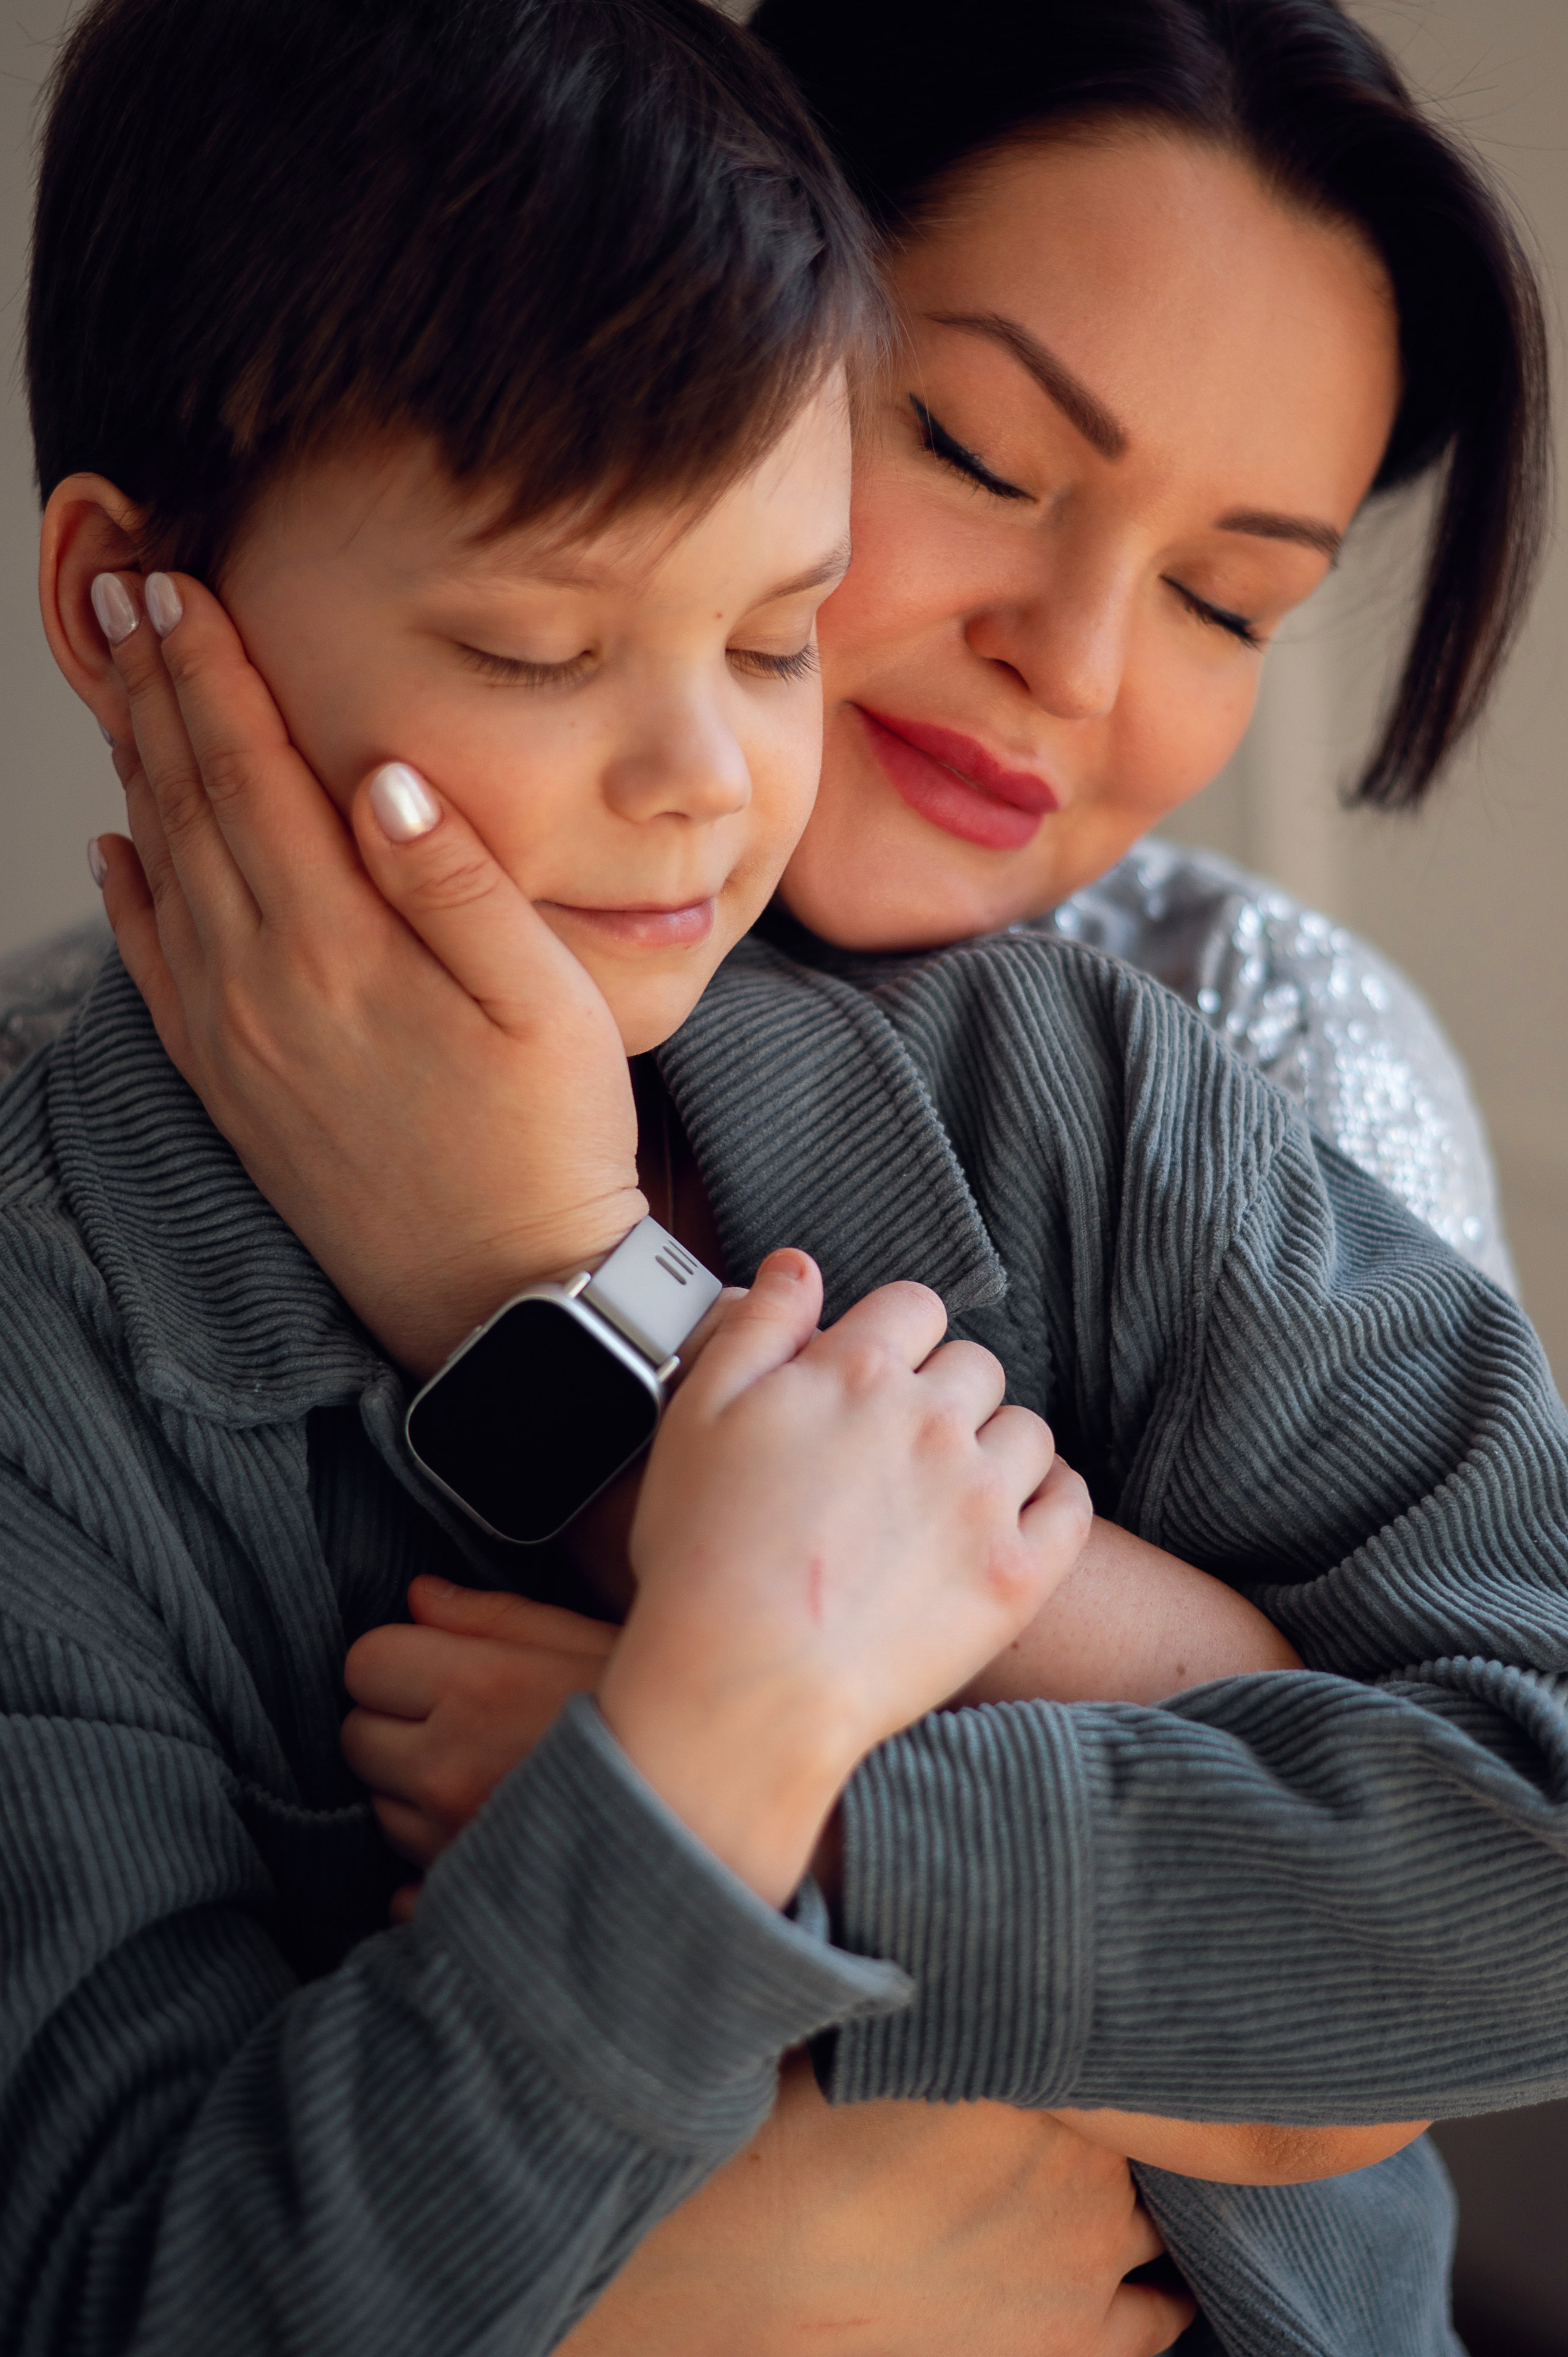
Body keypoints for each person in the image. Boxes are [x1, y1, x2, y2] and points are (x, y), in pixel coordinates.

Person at [8, 6, 1567, 2357]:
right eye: (544, 643)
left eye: (763, 638)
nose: (700, 782)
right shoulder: (58, 1303)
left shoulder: (1114, 1092)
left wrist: (816, 1803)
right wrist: (694, 1834)